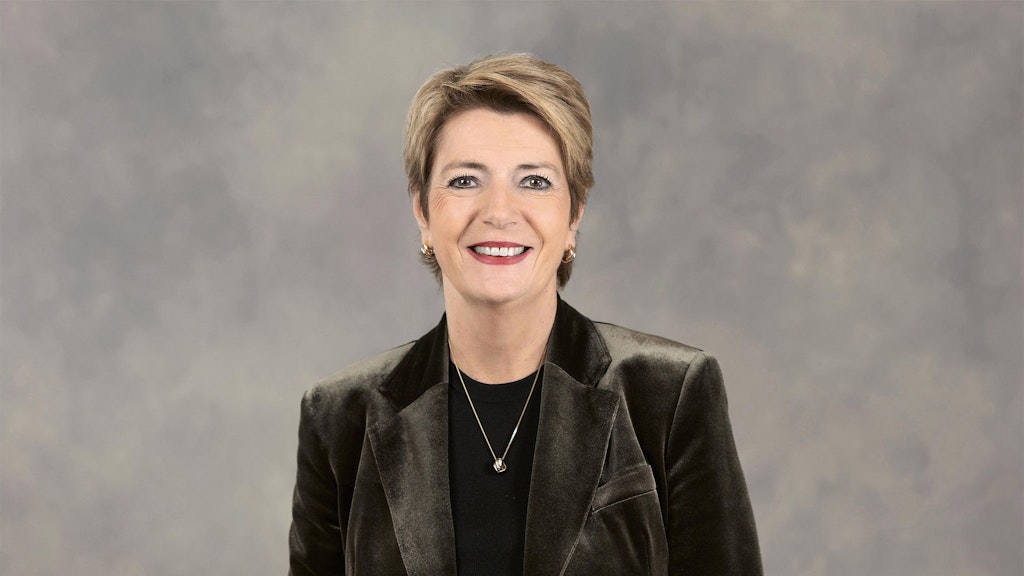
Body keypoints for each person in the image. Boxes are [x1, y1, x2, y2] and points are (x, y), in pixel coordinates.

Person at [288, 53, 763, 576]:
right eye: (466, 181)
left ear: (574, 213)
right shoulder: (339, 418)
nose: (498, 211)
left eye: (534, 181)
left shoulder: (670, 395)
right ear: (423, 211)